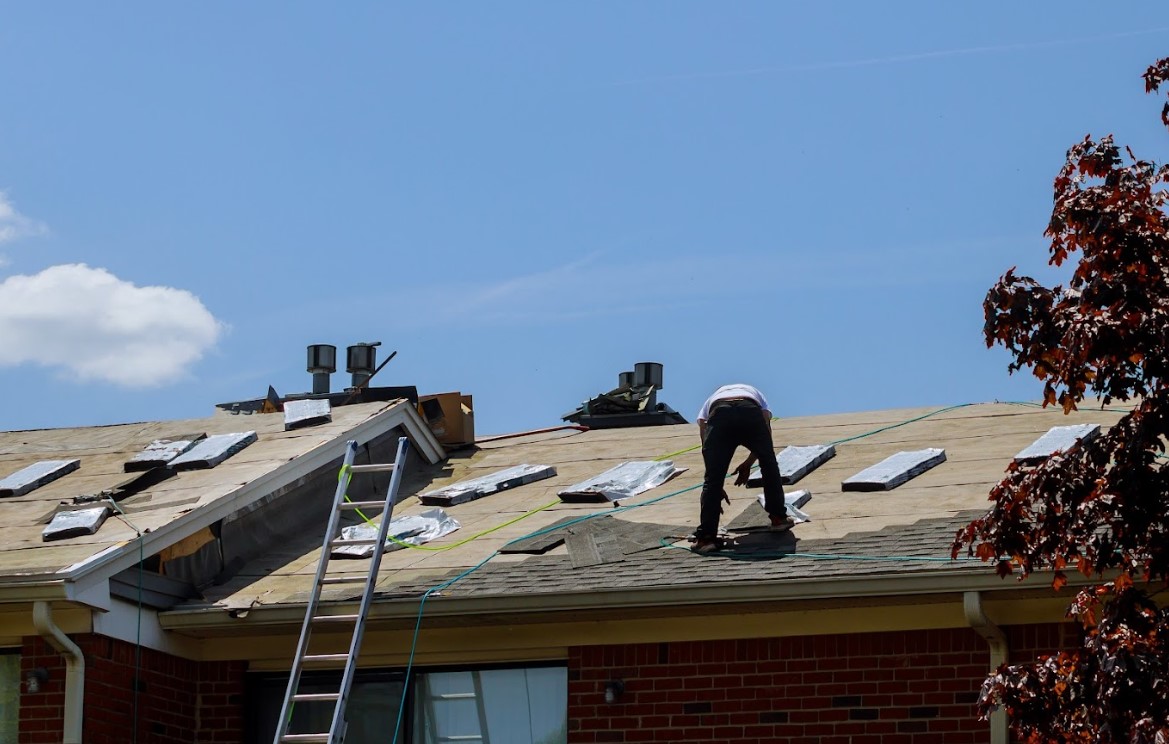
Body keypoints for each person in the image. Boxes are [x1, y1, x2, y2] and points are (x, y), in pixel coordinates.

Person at [692, 383, 794, 554]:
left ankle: (706, 539)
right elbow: (766, 434)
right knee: (769, 464)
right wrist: (750, 461)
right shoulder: (755, 394)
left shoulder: (713, 399)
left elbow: (704, 431)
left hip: (720, 414)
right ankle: (778, 518)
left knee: (712, 479)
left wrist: (715, 484)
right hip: (749, 410)